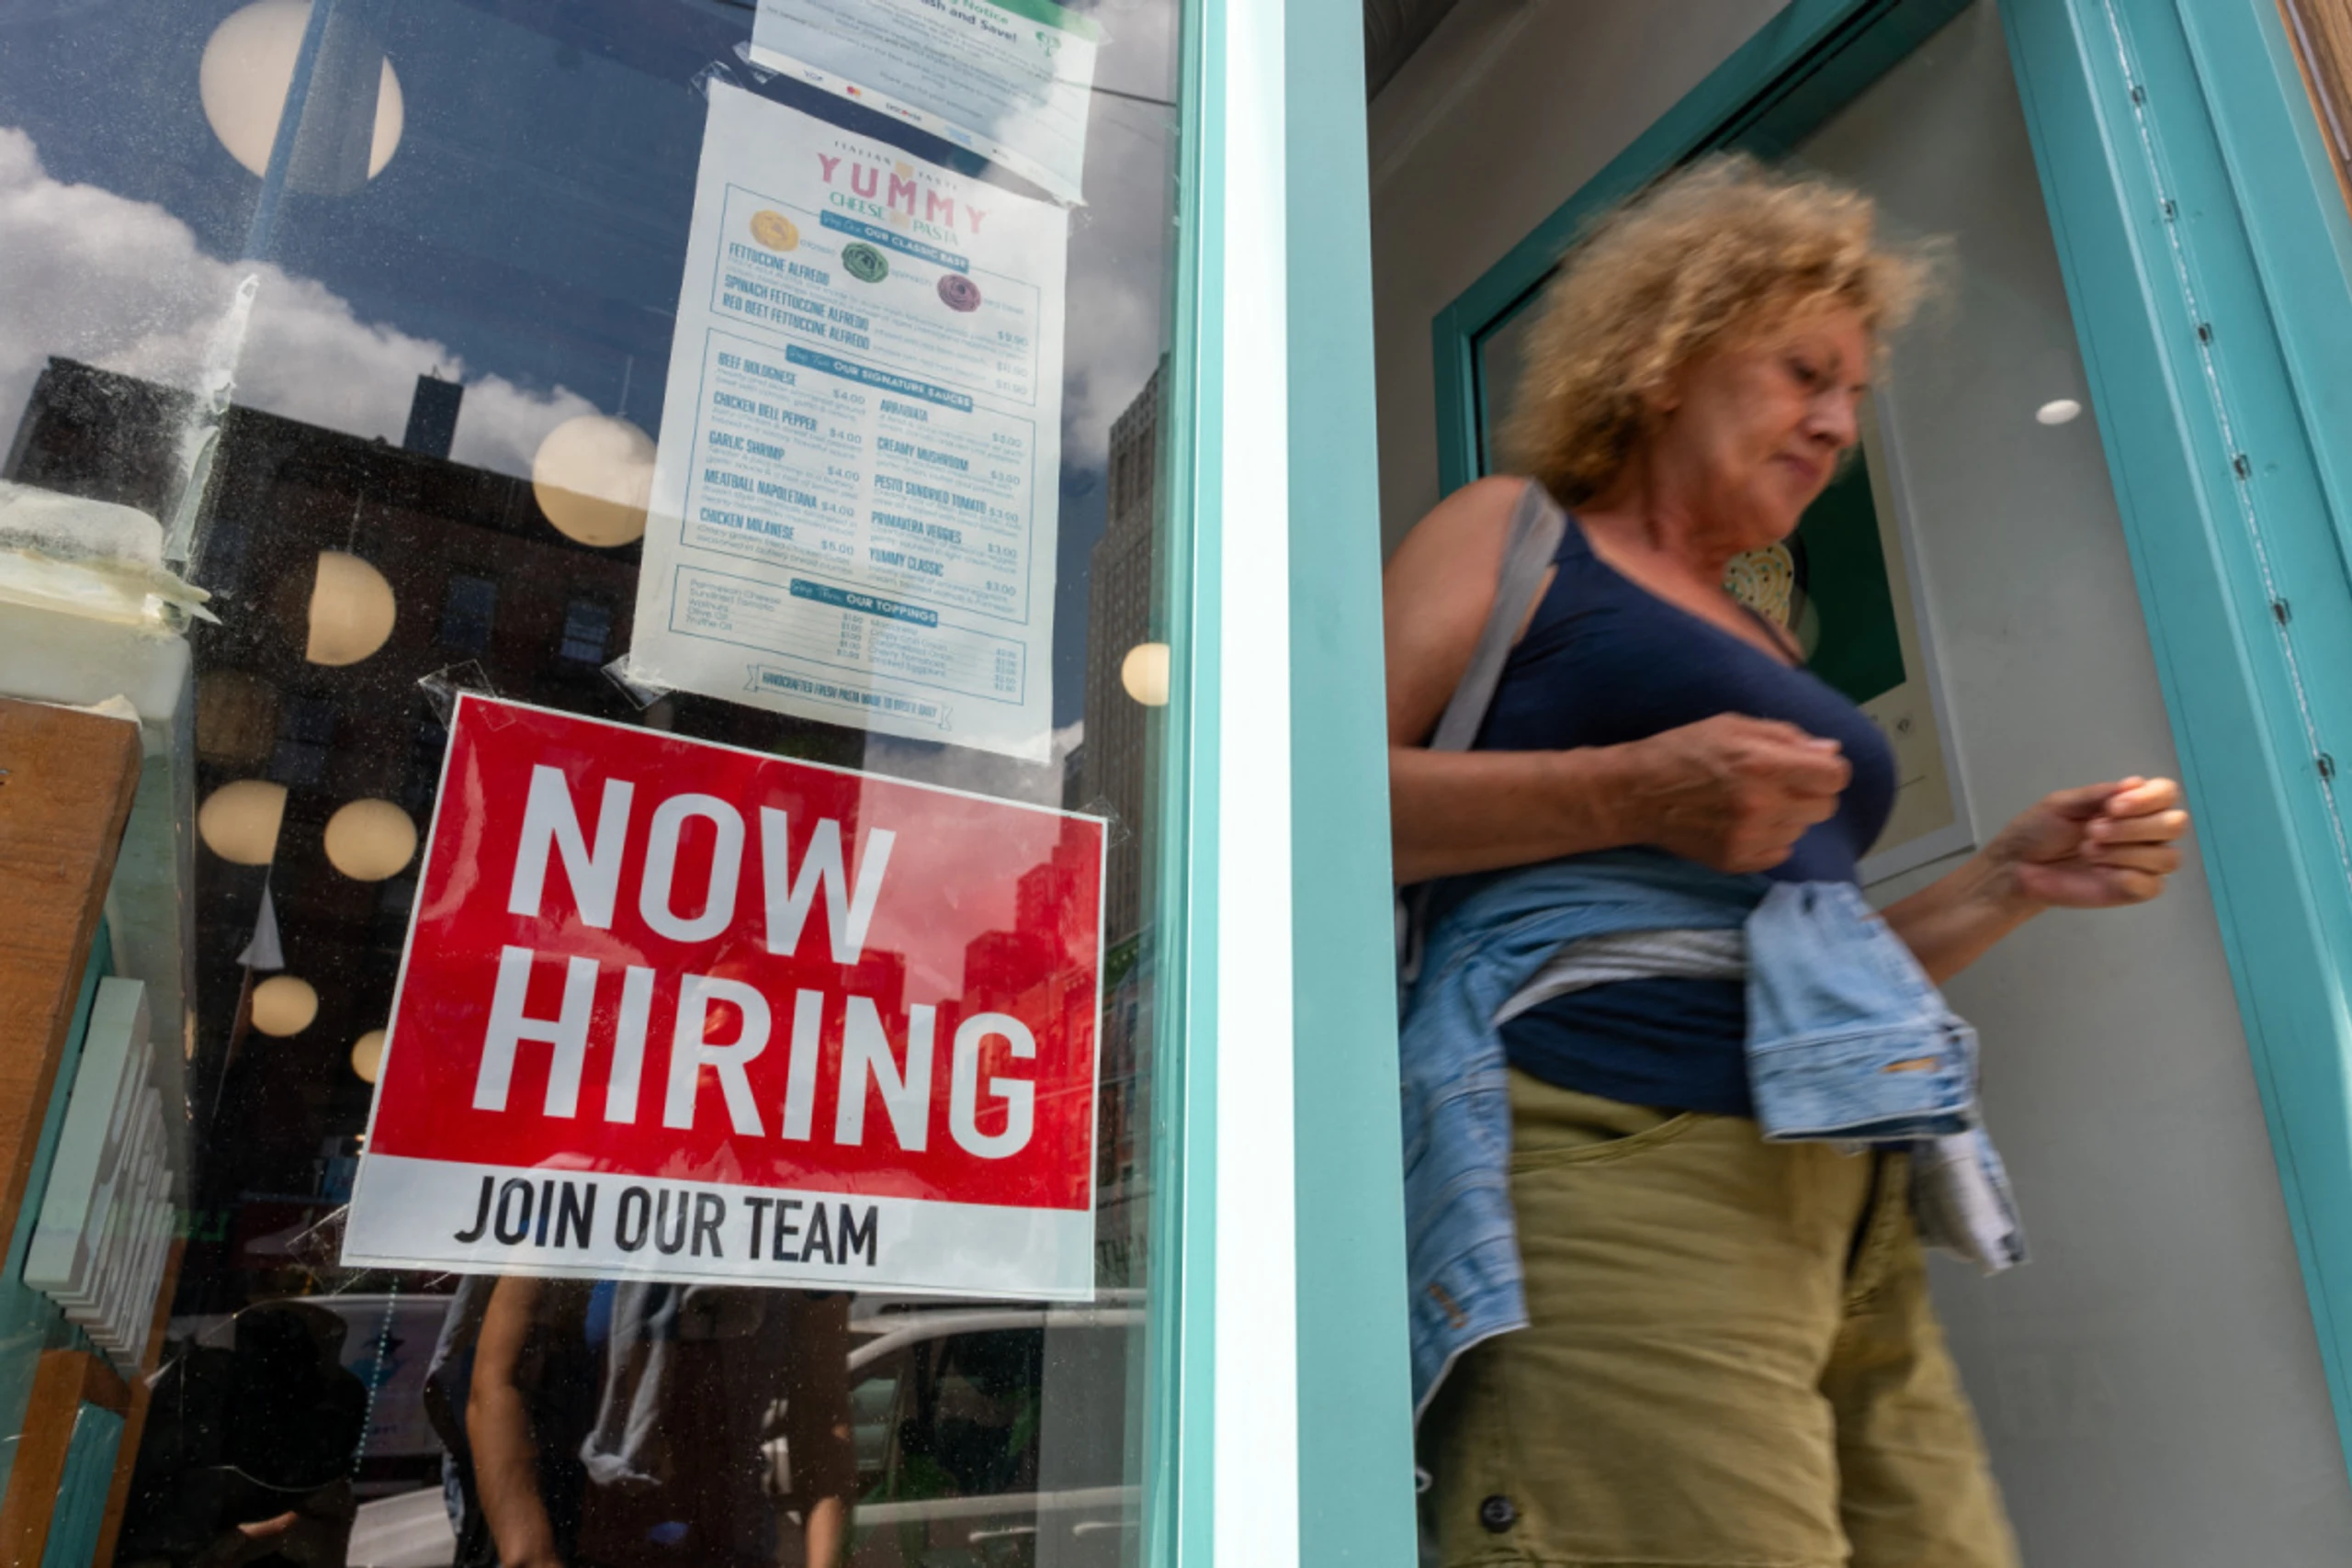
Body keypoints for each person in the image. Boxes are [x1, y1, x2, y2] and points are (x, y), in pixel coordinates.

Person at [1386, 155, 2190, 1568]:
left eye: (1855, 396)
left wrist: (2009, 875)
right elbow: (1292, 808)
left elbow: (1796, 963)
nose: (1835, 423)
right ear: (1662, 358)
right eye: (1803, 373)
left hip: (1848, 1184)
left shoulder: (1768, 635)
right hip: (1615, 1154)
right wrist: (1629, 790)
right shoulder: (1513, 537)